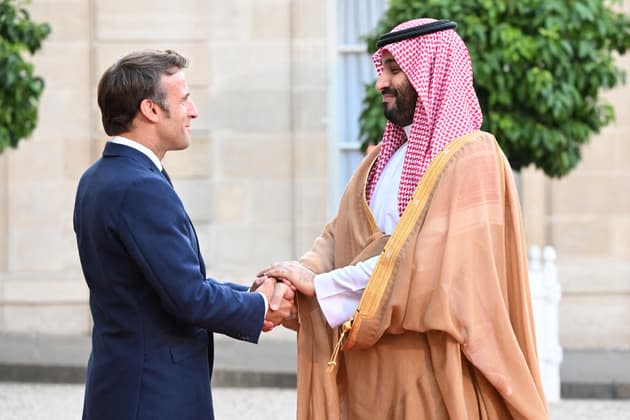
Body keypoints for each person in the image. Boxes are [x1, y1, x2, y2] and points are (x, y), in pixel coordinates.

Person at [260, 18, 549, 419]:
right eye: (382, 69)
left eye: (394, 69)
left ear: (432, 72)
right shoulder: (379, 160)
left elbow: (432, 265)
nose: (381, 82)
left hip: (432, 376)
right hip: (370, 377)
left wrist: (321, 285)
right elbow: (338, 237)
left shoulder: (474, 158)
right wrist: (292, 277)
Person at [73, 49, 292, 420]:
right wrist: (261, 307)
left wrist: (249, 292)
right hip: (154, 395)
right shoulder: (141, 186)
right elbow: (188, 297)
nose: (194, 111)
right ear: (151, 110)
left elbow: (162, 284)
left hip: (121, 386)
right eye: (185, 99)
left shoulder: (99, 177)